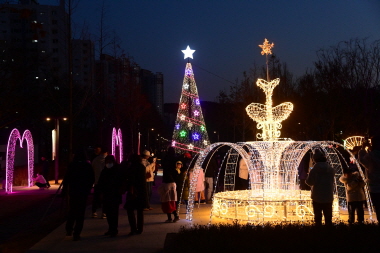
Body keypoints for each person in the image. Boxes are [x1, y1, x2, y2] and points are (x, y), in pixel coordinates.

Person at [61, 149, 94, 241]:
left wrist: (64, 190)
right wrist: (88, 189)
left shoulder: (72, 165)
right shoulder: (87, 166)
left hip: (73, 191)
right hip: (83, 192)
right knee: (81, 213)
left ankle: (69, 229)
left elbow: (66, 179)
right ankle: (77, 232)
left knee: (72, 210)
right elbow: (91, 178)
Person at [306, 149, 335, 226]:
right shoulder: (331, 169)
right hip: (328, 196)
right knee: (328, 218)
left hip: (317, 197)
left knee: (318, 218)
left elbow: (309, 182)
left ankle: (318, 233)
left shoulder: (314, 170)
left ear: (315, 160)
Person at [97, 155, 123, 237]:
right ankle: (111, 229)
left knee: (114, 213)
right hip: (107, 195)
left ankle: (114, 229)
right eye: (107, 162)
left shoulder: (117, 170)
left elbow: (120, 182)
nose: (108, 164)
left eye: (109, 162)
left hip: (114, 195)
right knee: (108, 213)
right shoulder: (105, 171)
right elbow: (101, 182)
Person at [124, 154, 147, 235]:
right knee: (140, 211)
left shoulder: (130, 168)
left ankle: (133, 228)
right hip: (140, 191)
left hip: (132, 191)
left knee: (130, 211)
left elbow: (129, 180)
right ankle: (140, 229)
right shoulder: (142, 167)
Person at [359, 135, 380, 222]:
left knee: (378, 207)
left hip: (375, 186)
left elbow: (362, 160)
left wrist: (363, 149)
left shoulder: (371, 155)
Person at [159, 155, 180, 223]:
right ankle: (173, 216)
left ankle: (172, 217)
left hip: (167, 184)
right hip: (172, 184)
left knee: (167, 201)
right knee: (171, 201)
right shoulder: (173, 167)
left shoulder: (166, 168)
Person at [91, 147, 108, 218]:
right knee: (106, 198)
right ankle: (104, 212)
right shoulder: (108, 160)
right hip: (106, 182)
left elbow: (92, 170)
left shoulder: (95, 160)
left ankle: (94, 212)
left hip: (97, 181)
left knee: (96, 197)